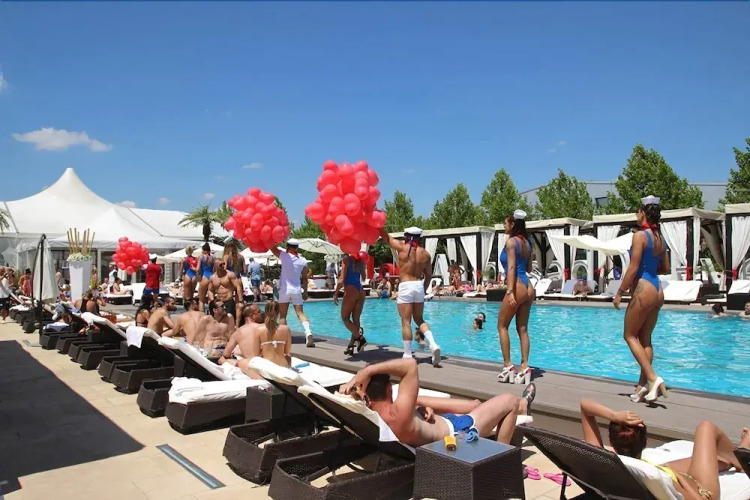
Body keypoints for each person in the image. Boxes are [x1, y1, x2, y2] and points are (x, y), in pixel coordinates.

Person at [339, 358, 535, 446]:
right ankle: (502, 457)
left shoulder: (365, 411)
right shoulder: (397, 414)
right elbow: (410, 366)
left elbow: (345, 391)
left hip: (441, 423)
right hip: (459, 432)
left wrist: (420, 408)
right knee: (510, 400)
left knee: (475, 405)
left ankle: (520, 405)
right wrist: (367, 371)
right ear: (389, 389)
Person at [579, 398, 749, 500]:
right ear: (645, 441)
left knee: (715, 460)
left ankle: (727, 461)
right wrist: (680, 479)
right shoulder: (652, 476)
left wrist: (614, 416)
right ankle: (742, 454)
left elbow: (585, 406)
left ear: (611, 440)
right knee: (706, 427)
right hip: (700, 489)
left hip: (665, 471)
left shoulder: (600, 461)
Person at [615, 196, 670, 403]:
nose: (636, 215)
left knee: (629, 335)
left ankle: (653, 378)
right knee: (645, 338)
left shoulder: (640, 236)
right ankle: (642, 386)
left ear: (643, 212)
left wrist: (620, 292)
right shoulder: (660, 238)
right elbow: (665, 268)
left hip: (644, 287)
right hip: (657, 289)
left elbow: (633, 267)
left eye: (637, 211)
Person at [379, 227, 441, 367]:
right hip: (418, 285)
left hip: (406, 285)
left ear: (407, 236)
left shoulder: (402, 247)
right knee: (419, 319)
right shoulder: (426, 254)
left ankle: (407, 354)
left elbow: (387, 237)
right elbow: (428, 276)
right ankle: (433, 344)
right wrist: (422, 291)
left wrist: (377, 227)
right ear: (419, 238)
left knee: (406, 321)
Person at [497, 210, 535, 384]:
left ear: (513, 225)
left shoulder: (511, 242)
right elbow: (528, 269)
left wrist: (510, 291)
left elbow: (511, 268)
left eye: (505, 223)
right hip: (528, 287)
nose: (504, 226)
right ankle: (525, 366)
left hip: (517, 286)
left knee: (502, 326)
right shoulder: (527, 243)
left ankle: (508, 367)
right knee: (523, 329)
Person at [270, 238, 314, 347]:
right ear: (297, 247)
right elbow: (305, 278)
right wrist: (305, 292)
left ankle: (284, 338)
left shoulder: (284, 256)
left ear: (287, 246)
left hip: (285, 290)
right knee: (300, 313)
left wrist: (275, 238)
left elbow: (271, 247)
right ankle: (308, 331)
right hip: (296, 290)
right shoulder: (302, 260)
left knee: (283, 315)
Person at [334, 252, 368, 356]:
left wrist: (336, 293)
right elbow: (364, 277)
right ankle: (351, 346)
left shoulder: (346, 260)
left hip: (351, 291)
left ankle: (360, 339)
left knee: (345, 318)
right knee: (356, 319)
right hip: (360, 291)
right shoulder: (360, 260)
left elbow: (341, 279)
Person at [252, 299, 292, 368]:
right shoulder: (286, 329)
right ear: (278, 313)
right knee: (288, 357)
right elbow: (286, 351)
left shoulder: (259, 330)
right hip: (283, 366)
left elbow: (256, 353)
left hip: (267, 366)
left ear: (265, 312)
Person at [197, 243, 216, 313]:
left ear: (203, 250)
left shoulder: (201, 257)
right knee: (211, 298)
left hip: (204, 277)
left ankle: (202, 314)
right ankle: (212, 313)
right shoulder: (213, 257)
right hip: (212, 277)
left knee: (201, 300)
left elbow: (198, 269)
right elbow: (214, 269)